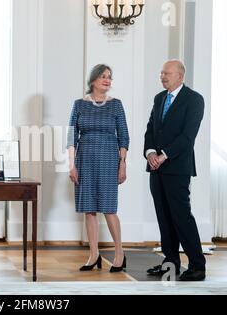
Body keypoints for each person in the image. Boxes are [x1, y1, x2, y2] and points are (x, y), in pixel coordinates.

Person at [144, 60, 206, 281]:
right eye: (161, 72)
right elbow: (151, 129)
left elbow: (188, 137)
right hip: (156, 168)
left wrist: (163, 155)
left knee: (181, 217)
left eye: (167, 73)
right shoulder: (159, 98)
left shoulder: (194, 99)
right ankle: (170, 263)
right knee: (164, 217)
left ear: (180, 75)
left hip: (177, 168)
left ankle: (198, 265)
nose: (162, 76)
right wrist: (150, 152)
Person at [67, 64, 130, 273]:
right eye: (103, 76)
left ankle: (119, 253)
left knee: (109, 208)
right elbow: (71, 137)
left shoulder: (116, 105)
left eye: (110, 77)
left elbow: (124, 136)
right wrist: (72, 165)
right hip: (85, 160)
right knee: (89, 209)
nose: (107, 80)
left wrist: (123, 164)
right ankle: (94, 254)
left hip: (109, 160)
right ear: (93, 80)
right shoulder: (78, 105)